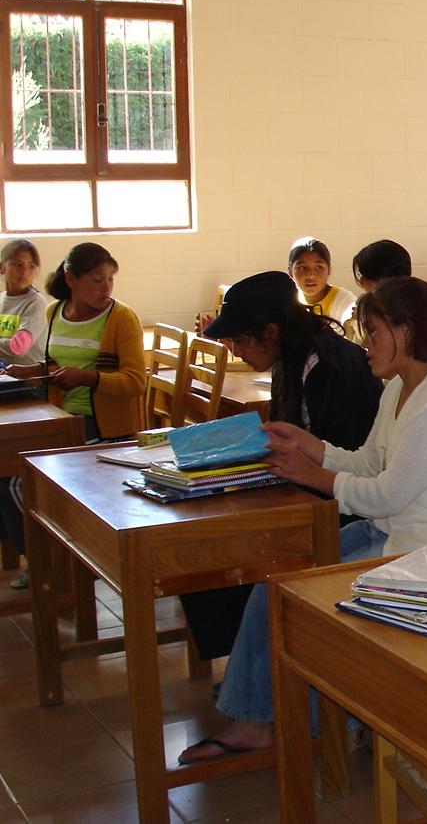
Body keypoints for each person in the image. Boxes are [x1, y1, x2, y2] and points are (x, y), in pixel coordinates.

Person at [178, 277, 427, 764]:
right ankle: (264, 718)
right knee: (275, 585)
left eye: (375, 331)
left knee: (299, 601)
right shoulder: (402, 389)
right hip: (393, 535)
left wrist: (316, 476)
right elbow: (368, 462)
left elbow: (385, 495)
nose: (366, 343)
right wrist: (310, 446)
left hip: (426, 556)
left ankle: (297, 721)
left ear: (407, 333)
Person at [178, 271, 384, 659]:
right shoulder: (291, 358)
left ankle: (259, 668)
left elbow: (350, 464)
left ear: (270, 331)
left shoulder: (332, 366)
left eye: (240, 340)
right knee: (197, 546)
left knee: (221, 558)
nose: (236, 351)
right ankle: (246, 664)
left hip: (342, 511)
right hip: (304, 495)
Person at [3, 243, 145, 589]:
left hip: (105, 430)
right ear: (71, 279)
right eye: (97, 280)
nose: (106, 288)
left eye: (111, 279)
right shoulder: (54, 312)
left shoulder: (121, 318)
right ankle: (45, 558)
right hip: (59, 421)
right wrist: (31, 370)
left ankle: (53, 561)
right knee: (4, 472)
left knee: (20, 482)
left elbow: (135, 382)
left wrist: (89, 378)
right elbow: (54, 364)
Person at [0, 239, 47, 368]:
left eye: (31, 266)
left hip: (28, 382)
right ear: (2, 267)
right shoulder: (1, 299)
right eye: (17, 265)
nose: (25, 272)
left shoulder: (36, 303)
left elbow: (18, 347)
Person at [289, 237, 358, 323]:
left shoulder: (345, 302)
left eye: (319, 267)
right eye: (302, 267)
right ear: (290, 271)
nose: (310, 275)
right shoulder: (289, 302)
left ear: (329, 270)